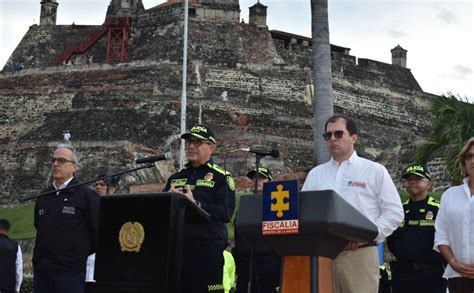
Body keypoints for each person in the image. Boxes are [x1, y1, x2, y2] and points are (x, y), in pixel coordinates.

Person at [301, 114, 404, 293]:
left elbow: (394, 212)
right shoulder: (316, 174)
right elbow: (305, 212)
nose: (333, 138)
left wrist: (368, 235)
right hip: (323, 256)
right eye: (328, 135)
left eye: (339, 134)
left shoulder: (374, 171)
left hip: (360, 255)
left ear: (354, 138)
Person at [164, 124, 236, 293]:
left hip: (207, 249)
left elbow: (226, 213)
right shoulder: (176, 176)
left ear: (211, 147)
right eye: (189, 142)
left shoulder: (221, 177)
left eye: (197, 142)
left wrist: (196, 204)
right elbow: (162, 209)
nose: (191, 146)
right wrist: (167, 197)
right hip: (177, 248)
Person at [33, 144, 100, 293]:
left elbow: (97, 231)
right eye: (53, 160)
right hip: (43, 270)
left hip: (70, 271)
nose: (56, 164)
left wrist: (76, 253)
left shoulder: (86, 196)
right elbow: (39, 226)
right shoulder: (43, 196)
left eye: (62, 160)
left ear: (74, 167)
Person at [387, 164, 446, 293]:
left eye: (417, 179)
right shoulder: (399, 210)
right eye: (409, 179)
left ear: (429, 184)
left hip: (432, 275)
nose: (412, 182)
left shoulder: (439, 209)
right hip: (403, 275)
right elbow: (391, 241)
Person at [434, 137, 474, 293]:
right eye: (469, 156)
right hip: (457, 276)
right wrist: (452, 262)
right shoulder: (450, 195)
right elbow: (441, 235)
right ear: (463, 161)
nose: (472, 161)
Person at [233, 167, 281, 293]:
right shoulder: (245, 204)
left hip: (269, 264)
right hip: (246, 265)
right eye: (254, 179)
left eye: (262, 178)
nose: (257, 181)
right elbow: (238, 232)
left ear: (270, 181)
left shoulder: (278, 205)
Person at [0, 219, 23, 293]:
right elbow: (19, 269)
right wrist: (17, 288)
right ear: (8, 229)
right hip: (9, 287)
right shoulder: (15, 246)